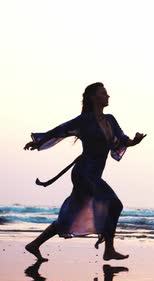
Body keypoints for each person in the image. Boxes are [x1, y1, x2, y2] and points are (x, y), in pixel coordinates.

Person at [24, 82, 146, 261]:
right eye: (103, 93)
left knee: (70, 216)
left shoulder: (110, 119)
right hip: (84, 174)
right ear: (93, 98)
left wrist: (134, 142)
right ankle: (109, 250)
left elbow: (122, 138)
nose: (108, 96)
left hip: (93, 175)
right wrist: (38, 142)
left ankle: (34, 244)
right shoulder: (84, 120)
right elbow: (60, 129)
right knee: (115, 204)